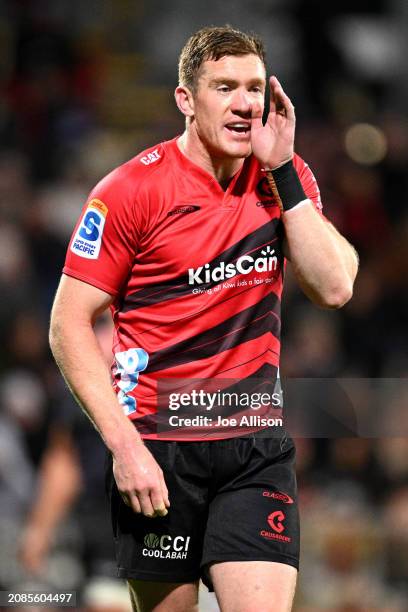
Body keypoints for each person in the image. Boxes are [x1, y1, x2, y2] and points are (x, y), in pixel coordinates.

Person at [49, 25, 358, 612]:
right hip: (159, 452)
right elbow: (67, 323)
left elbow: (336, 287)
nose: (245, 103)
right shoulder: (130, 191)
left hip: (254, 449)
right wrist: (125, 448)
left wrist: (286, 171)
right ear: (186, 99)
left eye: (253, 88)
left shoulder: (281, 179)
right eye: (224, 87)